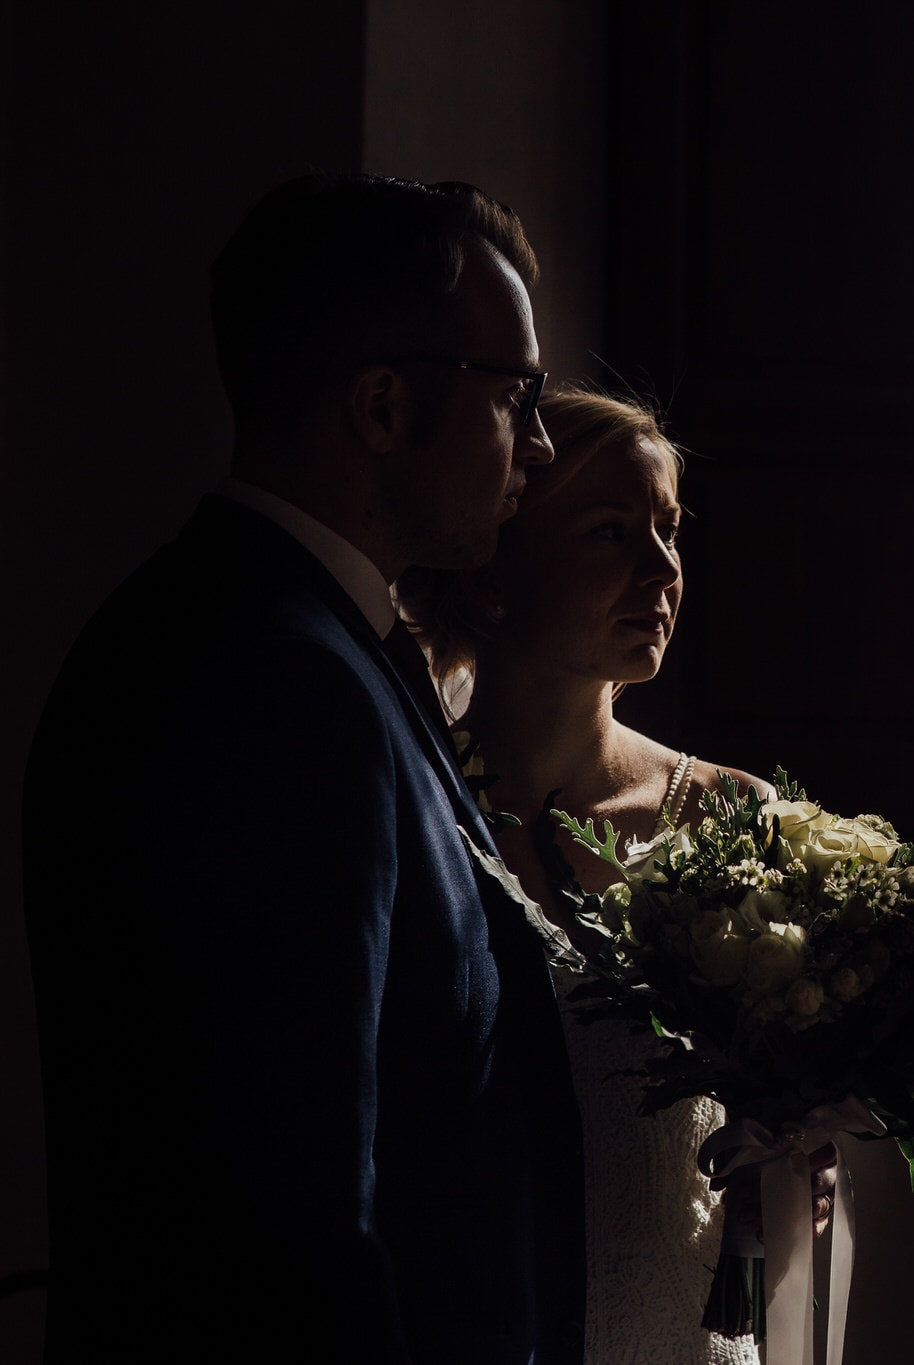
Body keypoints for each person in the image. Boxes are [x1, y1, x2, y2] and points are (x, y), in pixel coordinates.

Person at [23, 174, 582, 1363]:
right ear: (381, 408)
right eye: (514, 395)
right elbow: (289, 1210)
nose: (538, 442)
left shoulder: (325, 648)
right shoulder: (265, 681)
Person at [396, 386, 833, 1365]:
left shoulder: (733, 819)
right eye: (609, 533)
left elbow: (784, 1108)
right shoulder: (406, 802)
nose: (663, 569)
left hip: (682, 1329)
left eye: (669, 532)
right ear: (492, 567)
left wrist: (794, 1165)